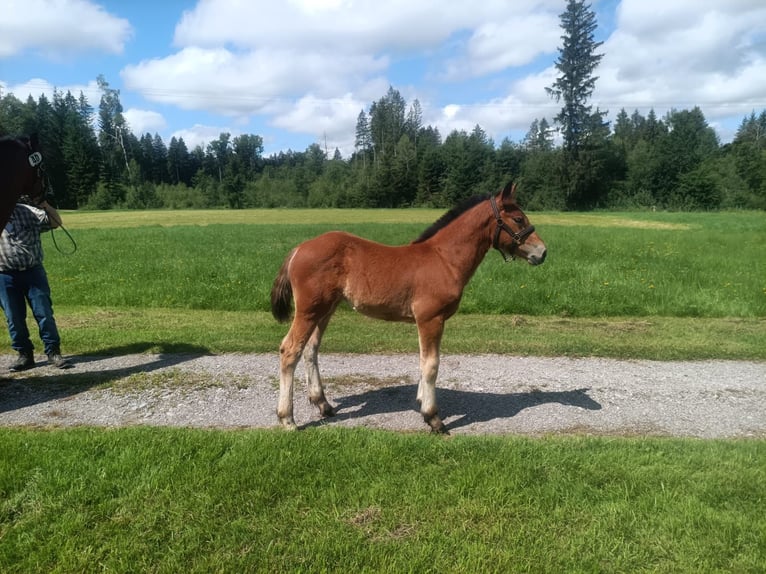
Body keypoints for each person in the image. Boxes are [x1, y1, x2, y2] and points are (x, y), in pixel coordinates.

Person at [0, 194, 71, 371]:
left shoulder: (27, 211)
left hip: (33, 272)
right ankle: (24, 355)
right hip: (4, 275)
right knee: (13, 317)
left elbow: (55, 222)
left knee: (44, 313)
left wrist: (43, 203)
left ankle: (53, 352)